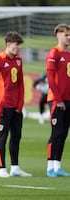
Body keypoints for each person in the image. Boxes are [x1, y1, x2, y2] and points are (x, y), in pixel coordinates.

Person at [0, 31, 32, 178]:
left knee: (16, 136)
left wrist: (20, 105)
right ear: (8, 44)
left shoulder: (19, 61)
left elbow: (20, 84)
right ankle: (2, 168)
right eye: (16, 44)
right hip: (3, 107)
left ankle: (15, 167)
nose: (19, 47)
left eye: (19, 45)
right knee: (2, 137)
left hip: (16, 107)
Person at [46, 23, 70, 177]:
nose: (68, 37)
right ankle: (49, 166)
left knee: (64, 133)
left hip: (68, 99)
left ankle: (57, 166)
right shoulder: (53, 53)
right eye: (66, 35)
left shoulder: (68, 54)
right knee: (56, 132)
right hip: (56, 100)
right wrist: (58, 99)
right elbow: (50, 79)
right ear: (58, 35)